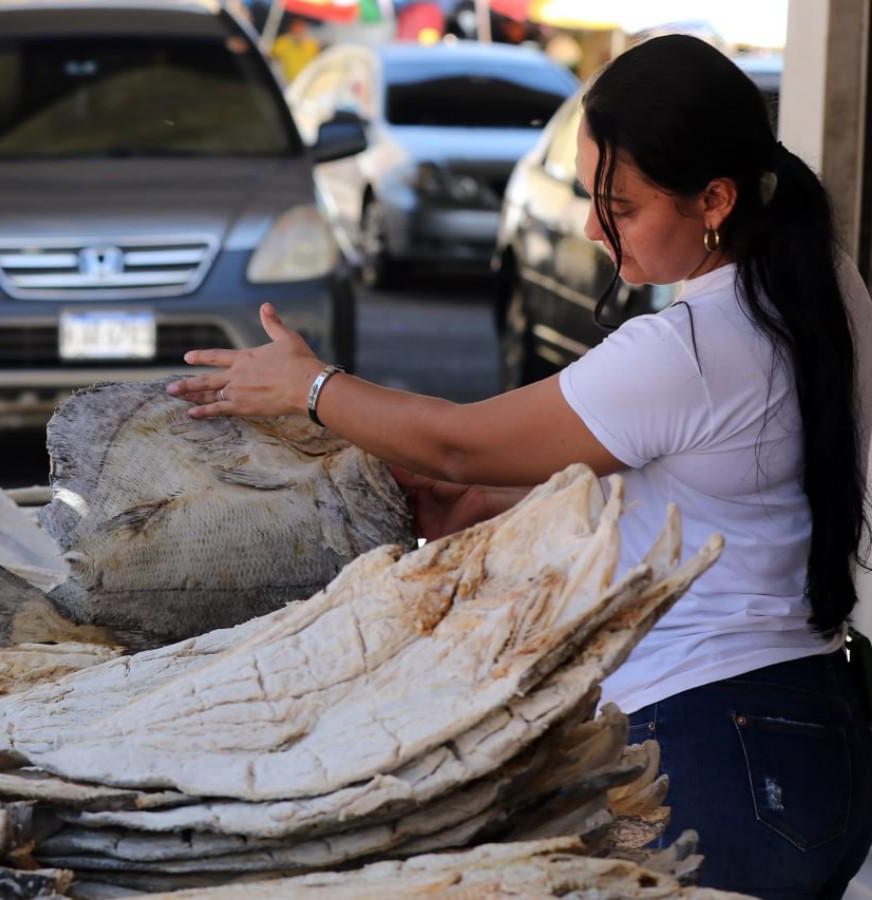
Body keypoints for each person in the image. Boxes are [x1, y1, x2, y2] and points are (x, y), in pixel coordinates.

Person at [167, 35, 872, 898]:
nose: (589, 227)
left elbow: (461, 438)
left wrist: (309, 387)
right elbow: (714, 478)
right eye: (586, 195)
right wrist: (484, 503)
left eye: (618, 204)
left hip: (709, 742)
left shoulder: (689, 348)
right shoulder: (824, 286)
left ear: (715, 200)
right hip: (814, 726)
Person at [270, 17, 319, 84]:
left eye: (301, 27)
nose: (298, 30)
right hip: (285, 81)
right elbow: (270, 56)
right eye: (296, 27)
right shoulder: (283, 42)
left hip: (305, 81)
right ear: (291, 28)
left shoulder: (311, 44)